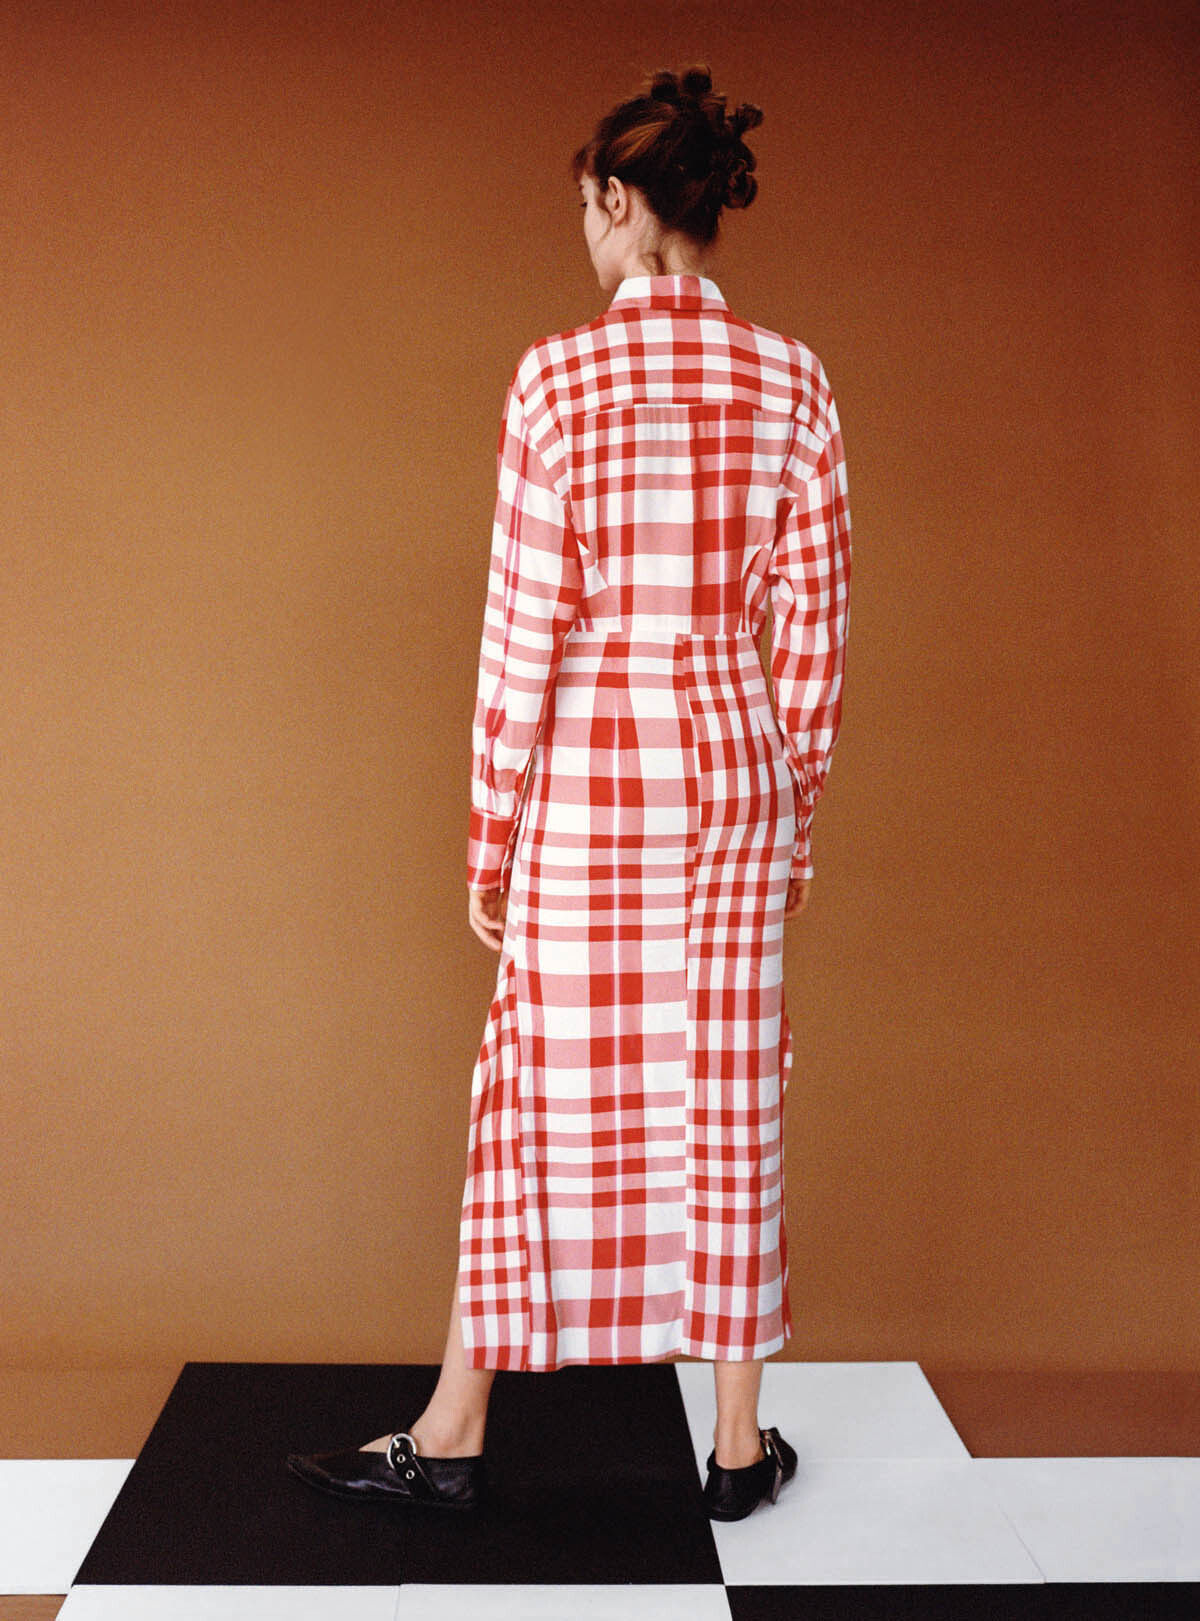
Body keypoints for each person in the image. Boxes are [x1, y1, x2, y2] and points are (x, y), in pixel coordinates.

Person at [288, 60, 851, 1524]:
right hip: (737, 765)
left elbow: (521, 628)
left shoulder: (558, 377)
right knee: (731, 1080)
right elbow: (816, 632)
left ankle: (455, 1428)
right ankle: (739, 1446)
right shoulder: (794, 378)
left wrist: (491, 831)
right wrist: (792, 816)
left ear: (615, 200)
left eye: (584, 208)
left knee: (537, 1076)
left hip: (596, 766)